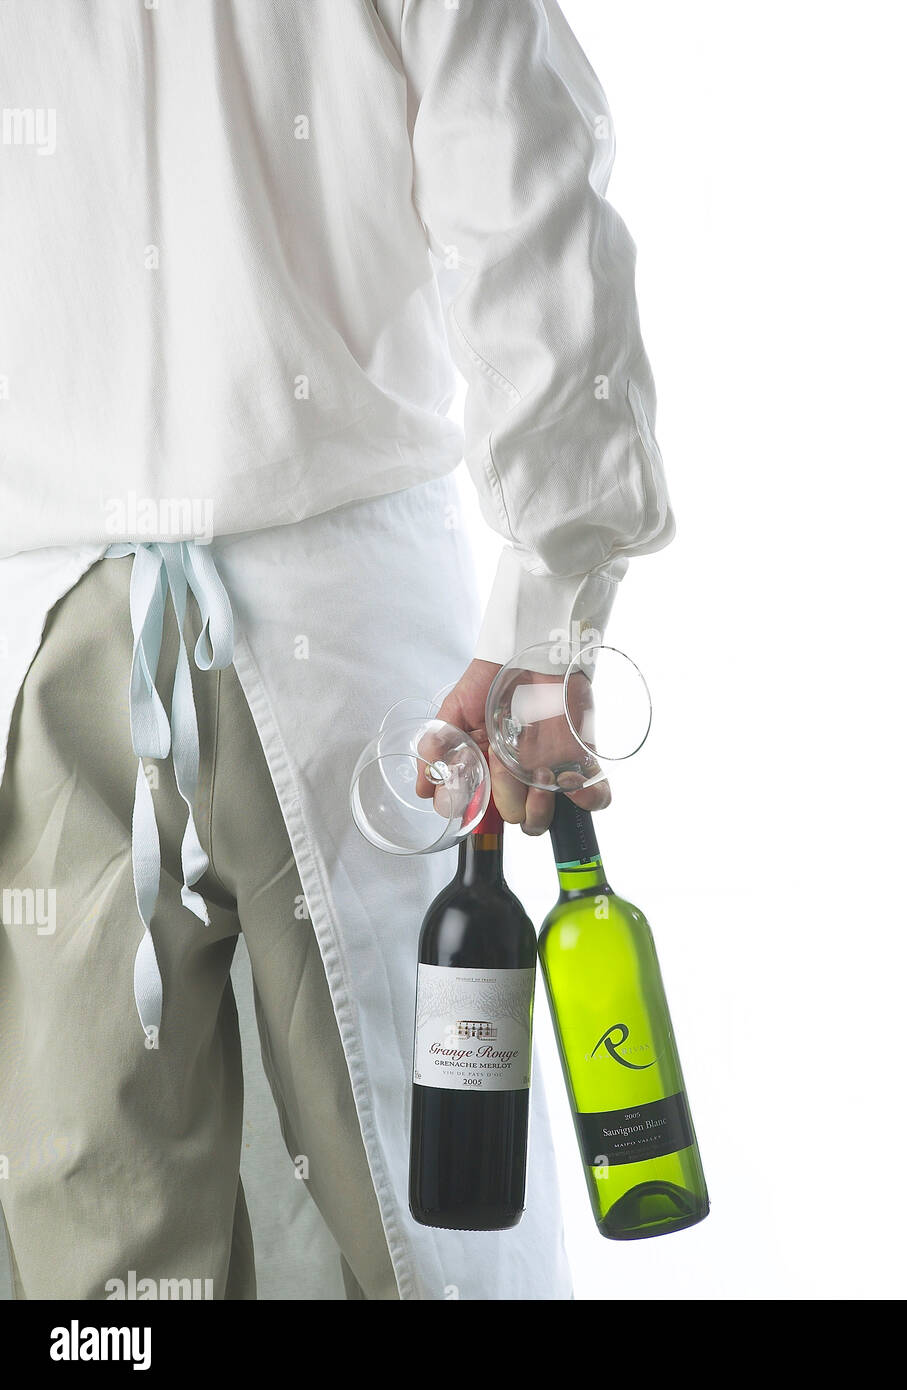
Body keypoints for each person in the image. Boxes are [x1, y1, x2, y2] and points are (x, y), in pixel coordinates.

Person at [0, 0, 671, 1300]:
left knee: (104, 1243)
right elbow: (526, 196)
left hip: (48, 630)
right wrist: (548, 611)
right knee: (431, 1205)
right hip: (351, 630)